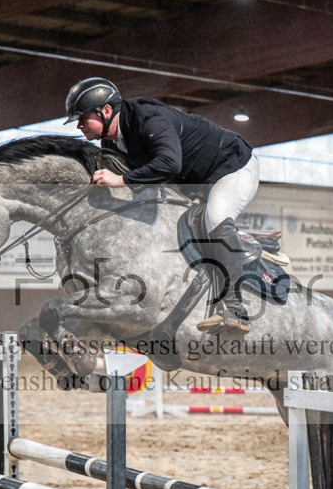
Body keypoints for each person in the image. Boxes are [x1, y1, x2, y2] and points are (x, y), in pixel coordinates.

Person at [64, 77, 259, 335]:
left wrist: (120, 180)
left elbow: (169, 164)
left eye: (82, 117)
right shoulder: (111, 143)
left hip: (231, 168)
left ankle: (234, 309)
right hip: (192, 184)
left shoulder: (147, 118)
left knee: (215, 218)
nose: (79, 125)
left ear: (106, 110)